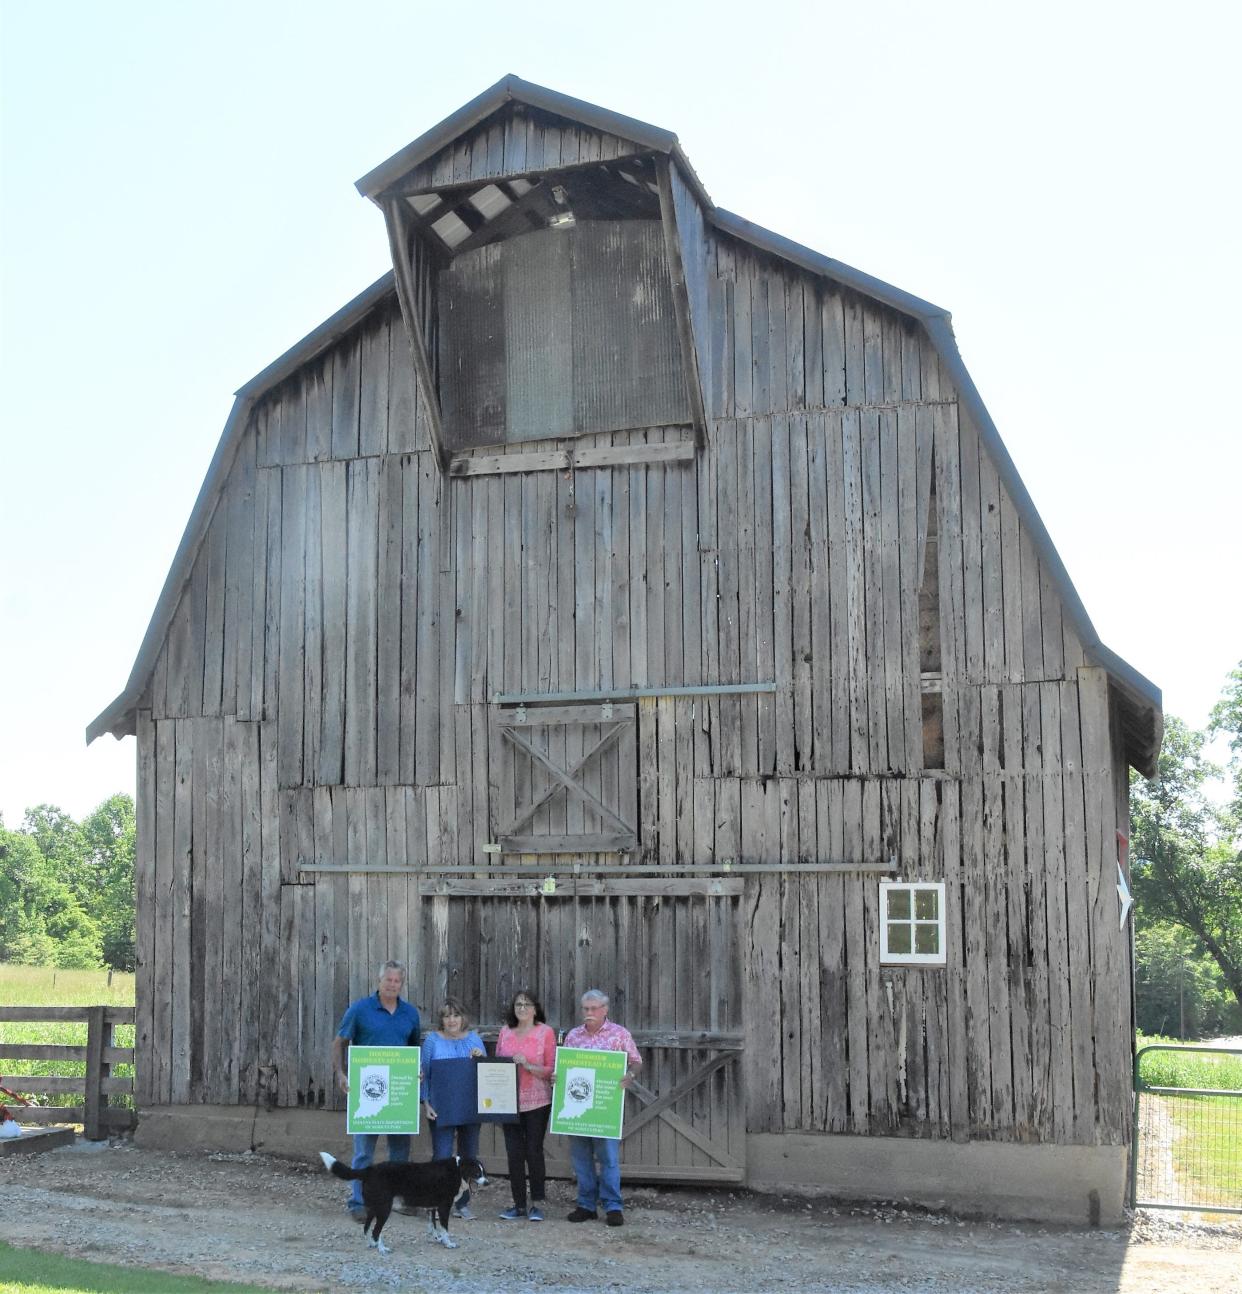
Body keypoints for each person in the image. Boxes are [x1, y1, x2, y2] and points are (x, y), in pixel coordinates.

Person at [331, 960, 421, 1220]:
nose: (392, 985)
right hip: (368, 1092)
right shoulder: (360, 1009)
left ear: (401, 984)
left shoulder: (410, 1013)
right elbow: (339, 1042)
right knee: (364, 1153)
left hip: (399, 1094)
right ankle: (359, 1202)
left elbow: (414, 1049)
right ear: (379, 981)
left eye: (397, 981)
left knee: (400, 1153)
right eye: (388, 980)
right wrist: (340, 1072)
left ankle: (400, 1200)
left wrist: (416, 1072)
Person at [562, 988, 642, 1227]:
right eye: (585, 1009)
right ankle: (586, 1205)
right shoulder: (573, 1036)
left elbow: (636, 1061)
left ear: (604, 1010)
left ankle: (613, 1206)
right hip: (578, 1107)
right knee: (581, 1158)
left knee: (608, 1158)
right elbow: (564, 1067)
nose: (589, 1013)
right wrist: (558, 1077)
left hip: (605, 1107)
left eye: (593, 1008)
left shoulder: (619, 1034)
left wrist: (630, 1075)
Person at [420, 997, 486, 1220]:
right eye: (447, 1016)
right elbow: (424, 1075)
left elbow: (486, 1075)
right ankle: (436, 1202)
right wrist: (426, 1103)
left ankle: (462, 1204)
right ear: (441, 1019)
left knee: (469, 1156)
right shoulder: (432, 1041)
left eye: (456, 1015)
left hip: (469, 1108)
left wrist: (480, 1059)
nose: (451, 1020)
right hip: (441, 1108)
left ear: (463, 1018)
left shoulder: (475, 1039)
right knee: (441, 1157)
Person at [494, 988, 557, 1221]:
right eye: (518, 1004)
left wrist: (528, 1065)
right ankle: (518, 1204)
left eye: (527, 1004)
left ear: (535, 1009)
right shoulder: (505, 1032)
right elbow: (498, 1064)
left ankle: (537, 1204)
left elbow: (551, 1069)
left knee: (534, 1151)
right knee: (513, 1153)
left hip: (537, 1101)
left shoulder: (545, 1032)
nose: (522, 1008)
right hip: (508, 1100)